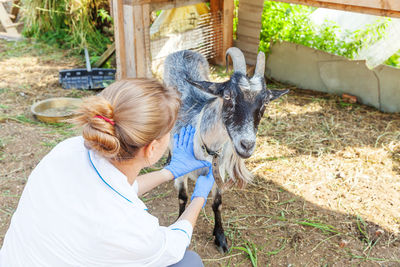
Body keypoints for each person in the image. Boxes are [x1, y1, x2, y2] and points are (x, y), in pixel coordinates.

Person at [0, 79, 215, 266]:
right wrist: (199, 198)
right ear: (151, 149)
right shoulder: (131, 230)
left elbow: (112, 189)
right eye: (170, 132)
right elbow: (174, 244)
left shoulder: (67, 149)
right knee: (189, 262)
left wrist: (169, 172)